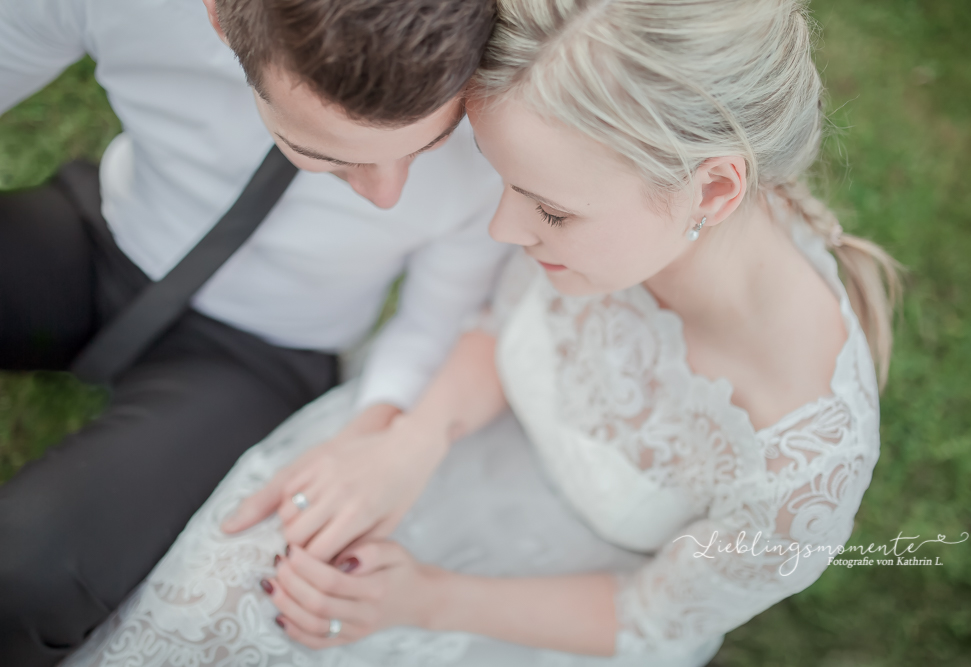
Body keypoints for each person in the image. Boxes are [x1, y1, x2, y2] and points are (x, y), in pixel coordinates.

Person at [62, 0, 902, 665]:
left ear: (713, 193)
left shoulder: (805, 466)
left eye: (549, 209)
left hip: (540, 608)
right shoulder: (614, 229)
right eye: (505, 184)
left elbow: (653, 620)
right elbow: (498, 322)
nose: (502, 230)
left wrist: (422, 600)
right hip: (457, 429)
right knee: (227, 599)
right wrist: (412, 438)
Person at [0, 0, 509, 664]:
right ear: (218, 19)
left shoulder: (499, 116)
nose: (388, 193)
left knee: (30, 573)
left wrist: (381, 426)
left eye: (427, 144)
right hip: (104, 233)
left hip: (257, 360)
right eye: (322, 151)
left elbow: (441, 313)